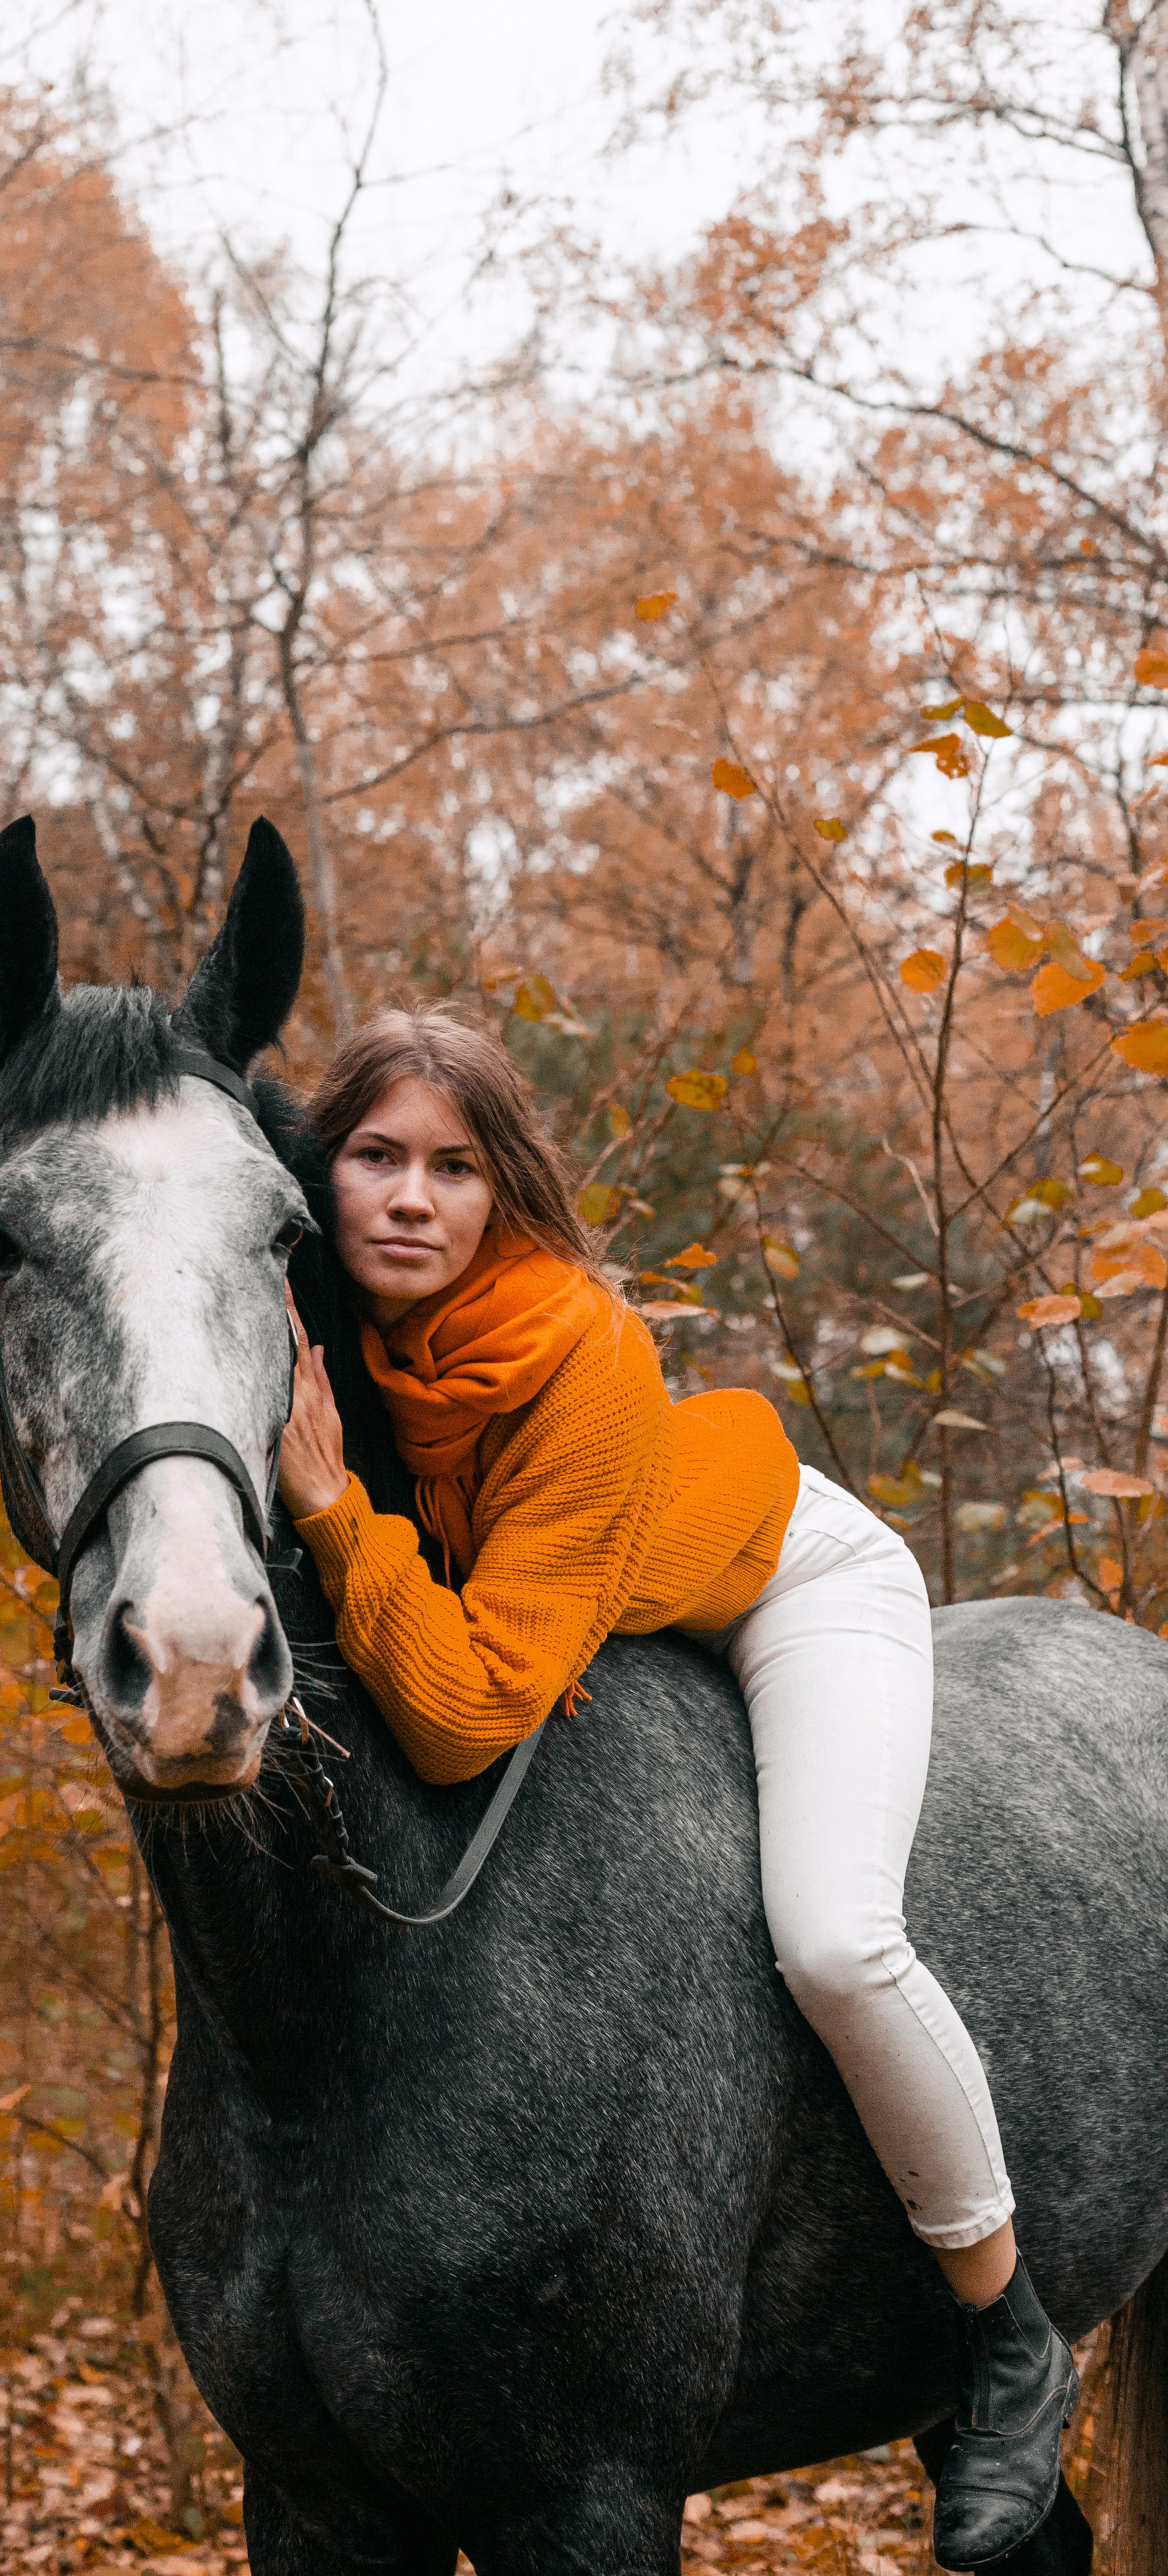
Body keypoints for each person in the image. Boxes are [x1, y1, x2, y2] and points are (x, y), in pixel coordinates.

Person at [276, 1003, 1073, 2573]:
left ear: (501, 1191)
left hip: (788, 1579)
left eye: (453, 1165)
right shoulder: (336, 1332)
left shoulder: (576, 1349)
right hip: (619, 1606)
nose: (411, 1198)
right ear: (323, 1175)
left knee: (833, 1938)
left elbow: (465, 1711)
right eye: (373, 1156)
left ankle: (1007, 2340)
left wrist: (328, 1510)